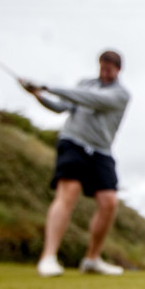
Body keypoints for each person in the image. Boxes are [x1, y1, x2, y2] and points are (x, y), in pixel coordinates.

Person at [20, 50, 130, 277]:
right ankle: (48, 257)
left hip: (101, 150)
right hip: (73, 142)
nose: (104, 72)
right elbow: (62, 106)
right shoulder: (84, 84)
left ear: (118, 70)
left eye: (109, 68)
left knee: (109, 202)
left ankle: (92, 259)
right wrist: (38, 95)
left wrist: (47, 86)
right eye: (102, 67)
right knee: (68, 191)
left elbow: (89, 99)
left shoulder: (121, 94)